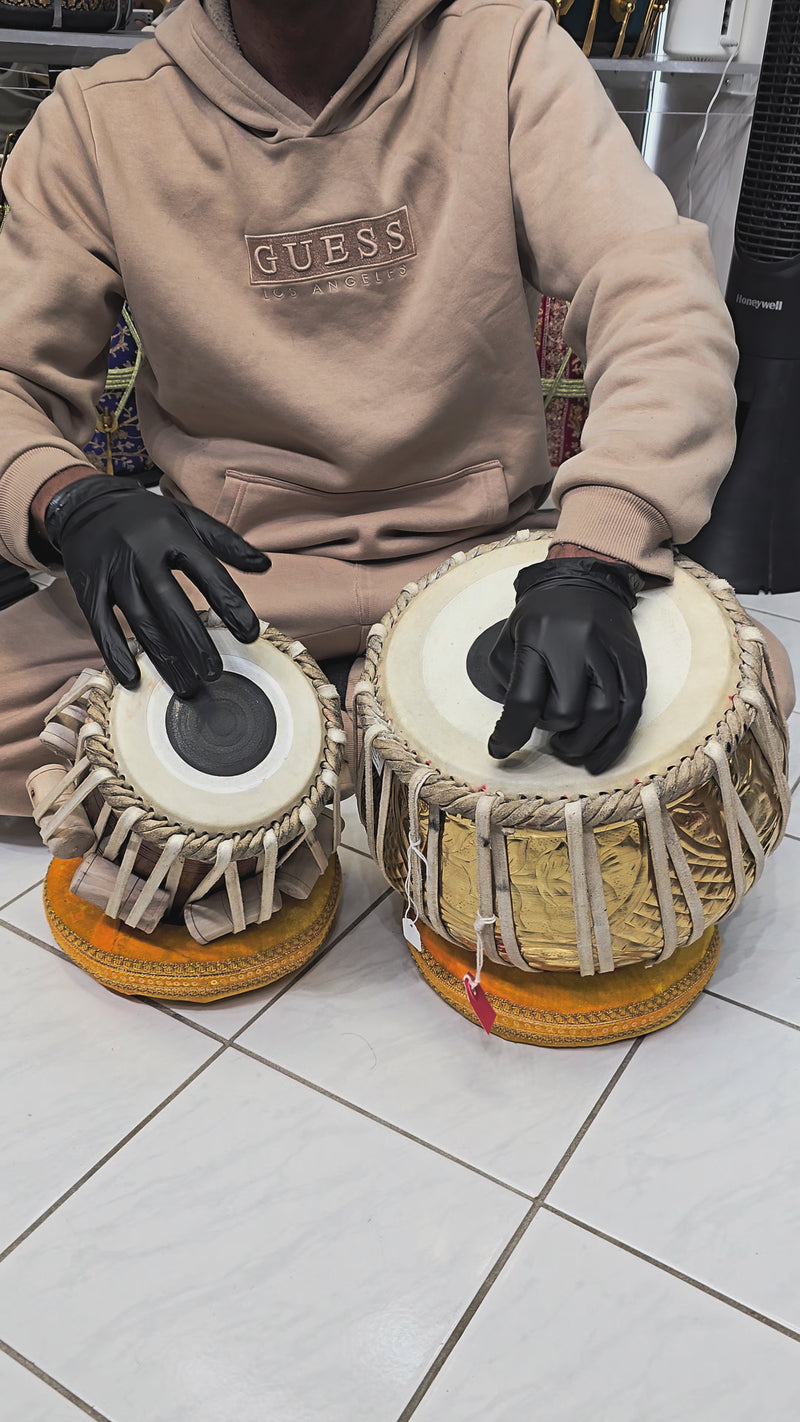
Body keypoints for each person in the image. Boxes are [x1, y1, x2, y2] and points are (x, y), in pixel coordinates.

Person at [0, 0, 792, 820]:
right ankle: (401, 726)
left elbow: (657, 298)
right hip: (230, 580)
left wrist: (596, 551)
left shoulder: (505, 53)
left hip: (481, 568)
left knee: (743, 680)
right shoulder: (99, 118)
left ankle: (276, 746)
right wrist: (68, 500)